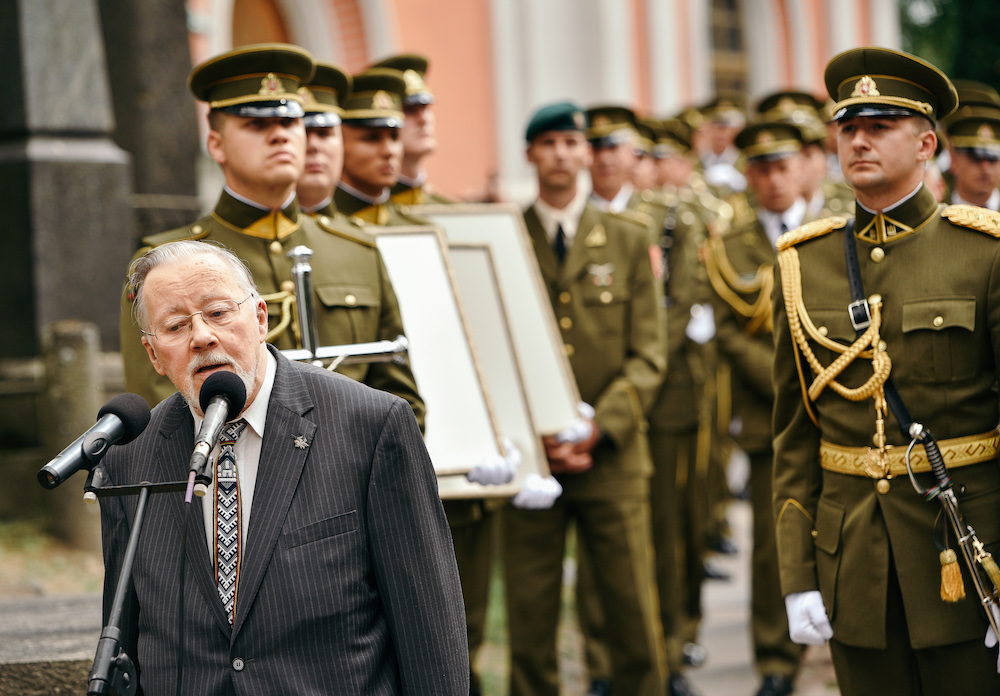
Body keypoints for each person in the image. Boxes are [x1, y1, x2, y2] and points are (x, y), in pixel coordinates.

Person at [100, 240, 468, 694]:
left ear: (260, 319)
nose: (202, 337)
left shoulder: (370, 426)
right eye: (175, 326)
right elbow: (121, 644)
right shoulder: (129, 456)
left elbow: (429, 628)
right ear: (154, 355)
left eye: (218, 313)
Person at [772, 46, 1000, 695]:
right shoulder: (801, 263)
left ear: (926, 144)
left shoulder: (983, 253)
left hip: (964, 553)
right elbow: (794, 438)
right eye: (848, 128)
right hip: (854, 566)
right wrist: (796, 574)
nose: (859, 141)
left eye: (879, 126)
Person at [120, 44, 424, 429]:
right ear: (216, 144)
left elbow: (401, 402)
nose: (280, 136)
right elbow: (162, 416)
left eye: (290, 122)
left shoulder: (359, 249)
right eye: (257, 125)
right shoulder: (166, 267)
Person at [502, 101, 667, 696]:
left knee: (632, 616)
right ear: (530, 154)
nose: (561, 155)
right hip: (532, 458)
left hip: (613, 457)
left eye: (572, 143)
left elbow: (650, 354)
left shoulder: (628, 237)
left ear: (586, 154)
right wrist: (534, 431)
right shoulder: (505, 237)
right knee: (530, 622)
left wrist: (599, 426)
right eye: (548, 143)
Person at [706, 119, 811, 696]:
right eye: (762, 168)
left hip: (841, 410)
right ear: (749, 175)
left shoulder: (833, 228)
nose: (773, 179)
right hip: (773, 414)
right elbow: (726, 330)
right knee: (775, 546)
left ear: (802, 167)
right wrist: (790, 381)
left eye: (782, 166)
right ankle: (775, 659)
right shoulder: (732, 244)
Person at [334, 69, 421, 225]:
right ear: (340, 144)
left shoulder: (415, 228)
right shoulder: (329, 226)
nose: (389, 151)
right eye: (371, 138)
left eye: (394, 137)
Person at [368, 53, 451, 205]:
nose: (423, 119)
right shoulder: (371, 208)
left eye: (425, 107)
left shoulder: (443, 206)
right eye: (409, 110)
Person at [942, 80, 1000, 211]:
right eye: (976, 158)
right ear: (953, 159)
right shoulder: (937, 208)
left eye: (993, 159)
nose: (985, 168)